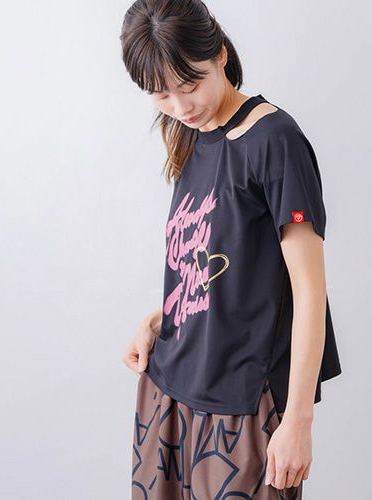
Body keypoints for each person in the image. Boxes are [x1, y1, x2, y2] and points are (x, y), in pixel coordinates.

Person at [120, 1, 342, 498]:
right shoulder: (193, 134)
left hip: (241, 408)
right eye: (161, 94)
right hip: (168, 391)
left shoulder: (275, 141)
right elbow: (220, 268)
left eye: (190, 84)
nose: (181, 107)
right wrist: (161, 318)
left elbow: (309, 290)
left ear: (220, 54)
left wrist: (298, 421)